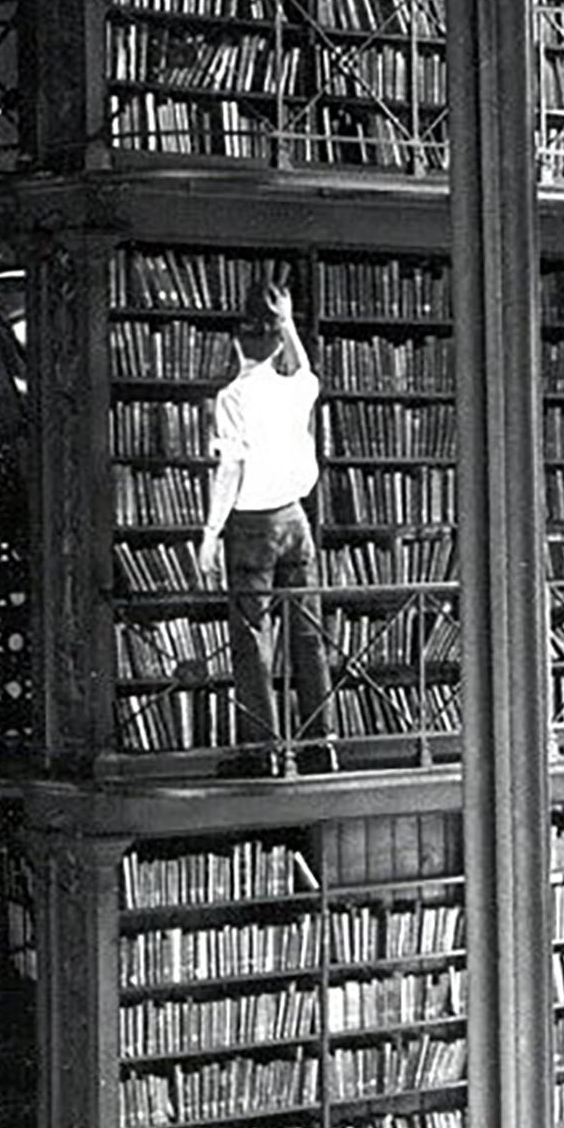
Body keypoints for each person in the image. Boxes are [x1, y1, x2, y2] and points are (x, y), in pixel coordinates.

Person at [198, 276, 336, 775]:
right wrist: (289, 321)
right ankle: (322, 745)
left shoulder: (233, 397)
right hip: (296, 520)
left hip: (252, 527)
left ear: (237, 345)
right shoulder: (298, 388)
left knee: (252, 637)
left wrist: (209, 535)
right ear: (278, 342)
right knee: (307, 632)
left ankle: (265, 754)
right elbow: (301, 365)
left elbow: (230, 471)